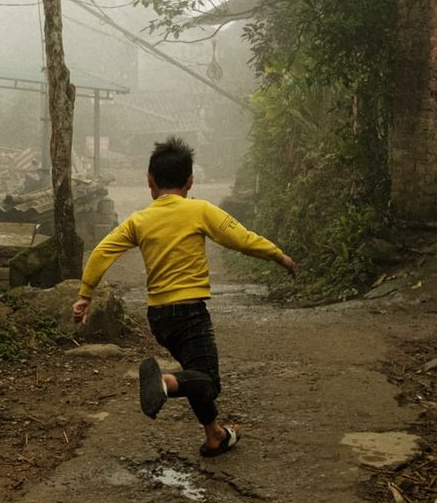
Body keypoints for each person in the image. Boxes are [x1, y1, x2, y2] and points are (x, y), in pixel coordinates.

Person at [72, 136, 296, 457]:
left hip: (159, 318)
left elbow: (101, 253)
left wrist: (85, 295)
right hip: (190, 314)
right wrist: (278, 255)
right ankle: (164, 382)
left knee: (194, 371)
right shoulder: (200, 210)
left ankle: (215, 434)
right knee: (207, 381)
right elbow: (241, 238)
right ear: (190, 181)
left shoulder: (138, 220)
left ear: (150, 181)